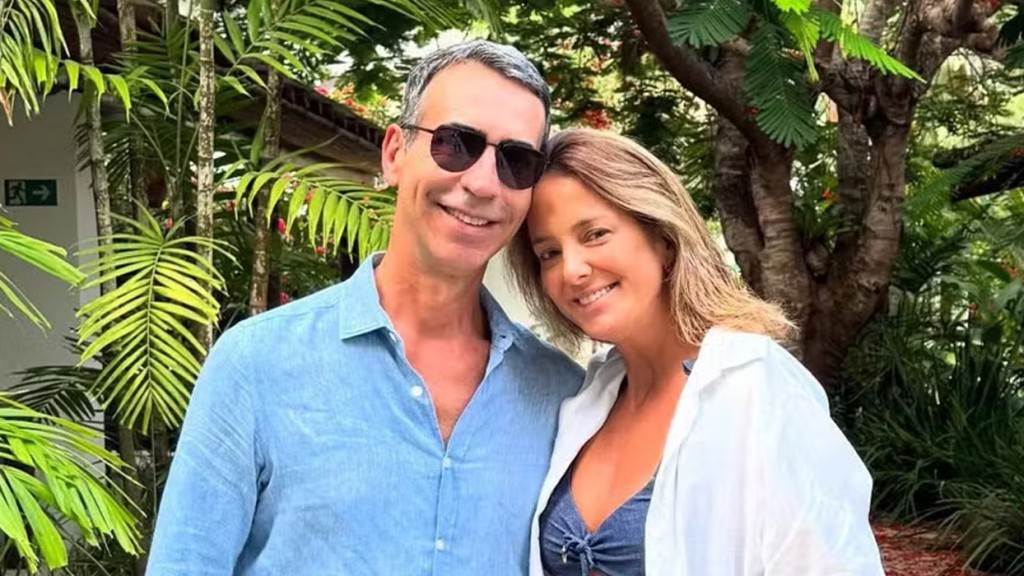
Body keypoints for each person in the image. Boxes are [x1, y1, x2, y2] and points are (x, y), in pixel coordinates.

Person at [146, 40, 584, 575]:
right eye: (456, 144)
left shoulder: (561, 393)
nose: (481, 183)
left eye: (516, 161)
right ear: (395, 154)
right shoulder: (256, 365)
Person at [506, 128, 884, 575]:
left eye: (595, 234)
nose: (571, 270)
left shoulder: (752, 384)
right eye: (549, 253)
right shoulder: (587, 400)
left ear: (663, 239)